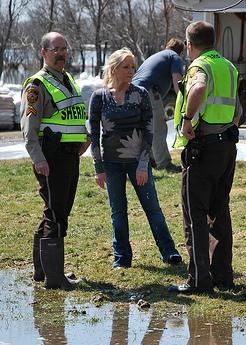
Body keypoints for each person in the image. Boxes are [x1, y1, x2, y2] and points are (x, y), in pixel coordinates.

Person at [88, 48, 182, 269]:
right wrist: (98, 168)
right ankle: (121, 258)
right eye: (126, 67)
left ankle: (169, 252)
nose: (131, 71)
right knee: (117, 212)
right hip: (111, 164)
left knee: (153, 208)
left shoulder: (140, 94)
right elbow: (94, 134)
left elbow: (148, 131)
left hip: (137, 162)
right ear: (114, 69)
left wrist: (143, 164)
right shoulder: (99, 97)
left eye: (133, 66)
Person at [169, 21, 241, 294]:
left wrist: (187, 120)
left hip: (202, 149)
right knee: (220, 211)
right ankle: (223, 275)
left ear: (189, 44)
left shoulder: (199, 66)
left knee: (195, 214)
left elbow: (198, 89)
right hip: (226, 147)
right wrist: (230, 127)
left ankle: (199, 279)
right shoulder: (228, 67)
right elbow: (238, 106)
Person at [20, 31, 90, 290]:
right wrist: (38, 159)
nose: (62, 53)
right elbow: (29, 129)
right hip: (51, 158)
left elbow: (72, 115)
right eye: (56, 49)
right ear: (44, 53)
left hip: (70, 156)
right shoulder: (37, 86)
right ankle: (54, 277)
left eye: (64, 48)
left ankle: (43, 271)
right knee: (57, 215)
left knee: (56, 211)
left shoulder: (67, 79)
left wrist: (86, 137)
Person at [132, 38, 184, 171]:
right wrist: (183, 101)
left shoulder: (157, 55)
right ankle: (164, 163)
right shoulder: (174, 57)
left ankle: (150, 160)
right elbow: (177, 81)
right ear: (180, 51)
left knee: (144, 128)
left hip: (133, 91)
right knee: (158, 128)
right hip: (149, 91)